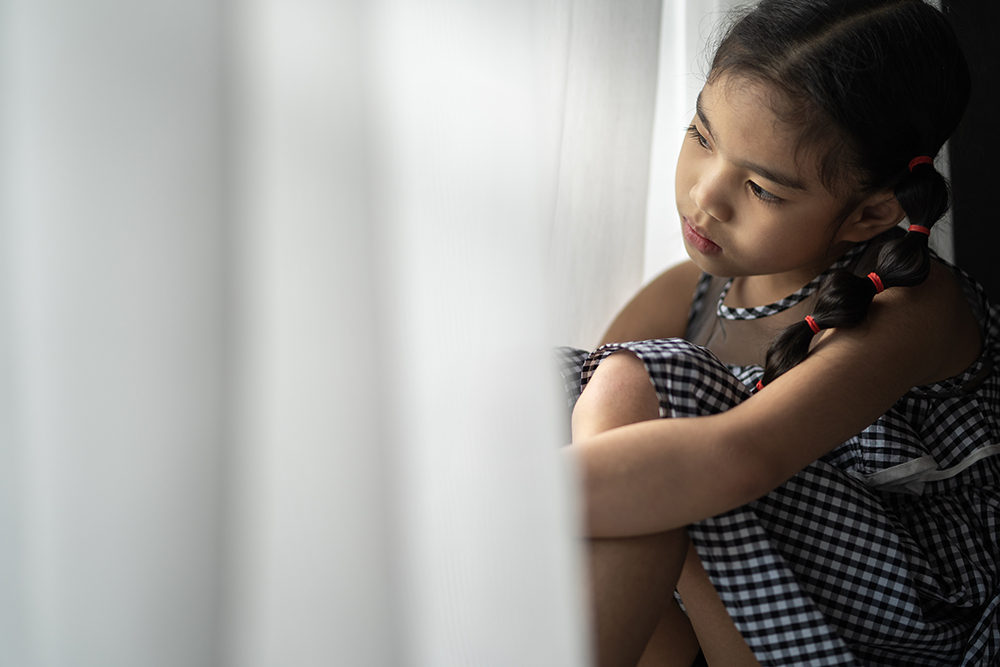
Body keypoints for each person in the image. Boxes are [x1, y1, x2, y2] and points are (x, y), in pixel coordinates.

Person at [558, 1, 1000, 665]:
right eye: (701, 137)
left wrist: (484, 491)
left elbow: (742, 457)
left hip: (891, 626)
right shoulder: (688, 295)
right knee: (582, 387)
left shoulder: (910, 305)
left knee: (647, 384)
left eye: (761, 187)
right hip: (710, 621)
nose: (706, 195)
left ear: (872, 211)